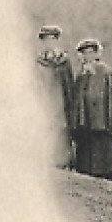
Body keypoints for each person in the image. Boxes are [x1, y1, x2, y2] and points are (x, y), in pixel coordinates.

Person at [71, 39, 112, 179]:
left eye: (91, 53)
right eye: (85, 53)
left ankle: (105, 174)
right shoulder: (81, 74)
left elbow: (111, 98)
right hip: (84, 121)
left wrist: (111, 122)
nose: (88, 56)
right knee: (85, 152)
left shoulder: (105, 72)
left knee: (102, 150)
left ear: (97, 54)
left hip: (101, 121)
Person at [36, 25, 74, 168]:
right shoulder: (38, 62)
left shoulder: (64, 62)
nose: (49, 44)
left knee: (61, 134)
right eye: (46, 40)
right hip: (44, 105)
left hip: (61, 106)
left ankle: (63, 164)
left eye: (52, 40)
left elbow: (69, 86)